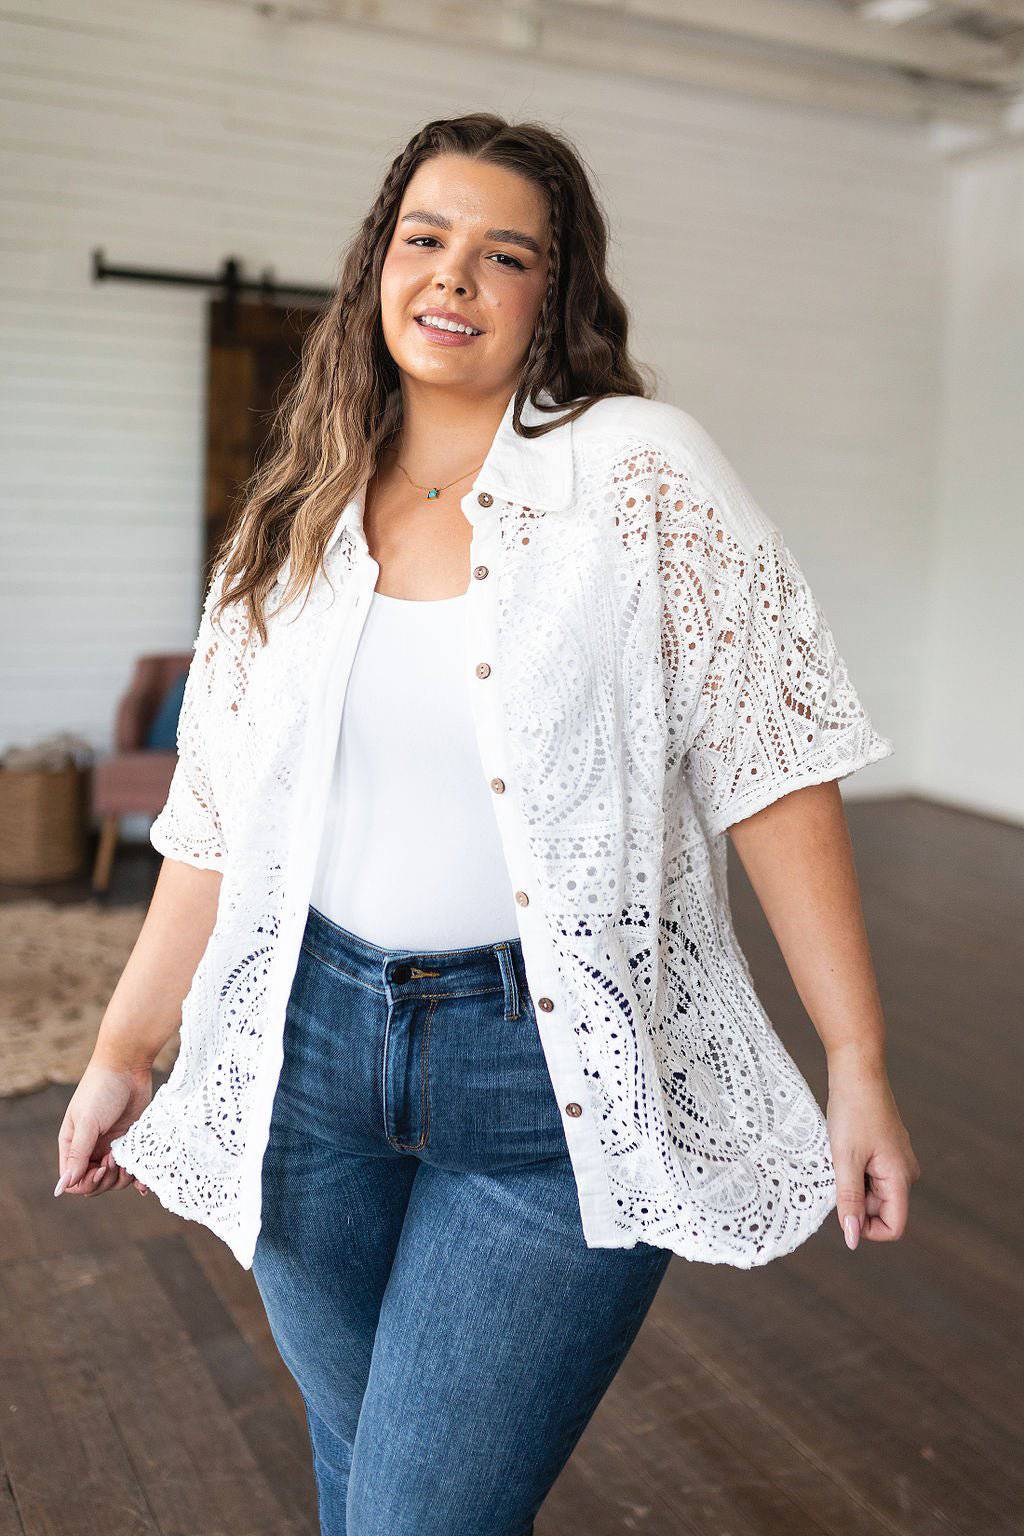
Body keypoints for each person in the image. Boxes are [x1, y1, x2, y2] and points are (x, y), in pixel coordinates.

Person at [55, 114, 920, 1535]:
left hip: (550, 1077)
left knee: (416, 1512)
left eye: (504, 255)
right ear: (377, 267)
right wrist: (119, 1051)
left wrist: (858, 1060)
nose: (454, 276)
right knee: (362, 1477)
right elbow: (213, 825)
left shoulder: (641, 472)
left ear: (550, 296)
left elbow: (775, 766)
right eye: (426, 238)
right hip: (304, 1057)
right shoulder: (295, 511)